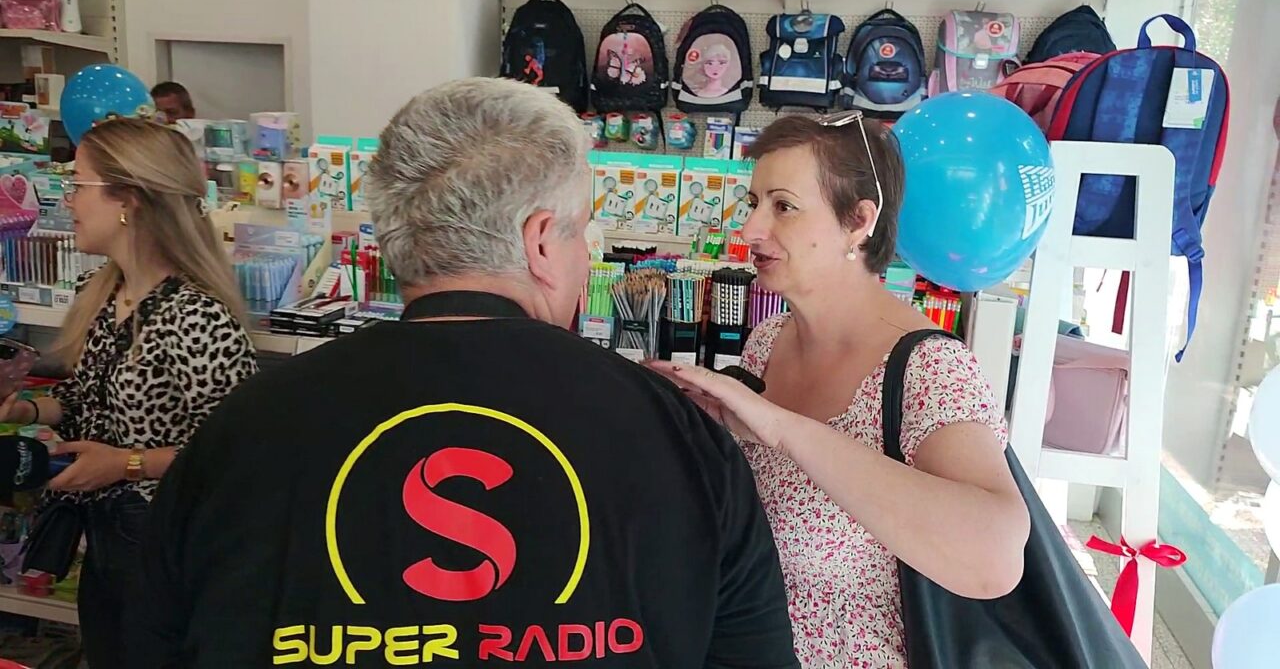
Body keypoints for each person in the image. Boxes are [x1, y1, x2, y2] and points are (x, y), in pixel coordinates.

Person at [134, 78, 799, 669]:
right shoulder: (676, 431)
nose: (584, 258)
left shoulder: (247, 427)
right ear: (541, 242)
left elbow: (148, 639)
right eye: (582, 233)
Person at [647, 114, 1030, 668]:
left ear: (858, 221)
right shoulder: (768, 341)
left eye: (783, 206)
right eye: (753, 203)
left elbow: (995, 558)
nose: (751, 229)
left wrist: (785, 430)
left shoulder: (928, 368)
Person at [0, 118, 258, 668]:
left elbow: (237, 455)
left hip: (167, 548)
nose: (68, 200)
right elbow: (84, 401)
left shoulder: (196, 316)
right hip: (107, 543)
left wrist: (127, 464)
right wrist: (24, 408)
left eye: (79, 185)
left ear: (129, 200)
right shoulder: (105, 293)